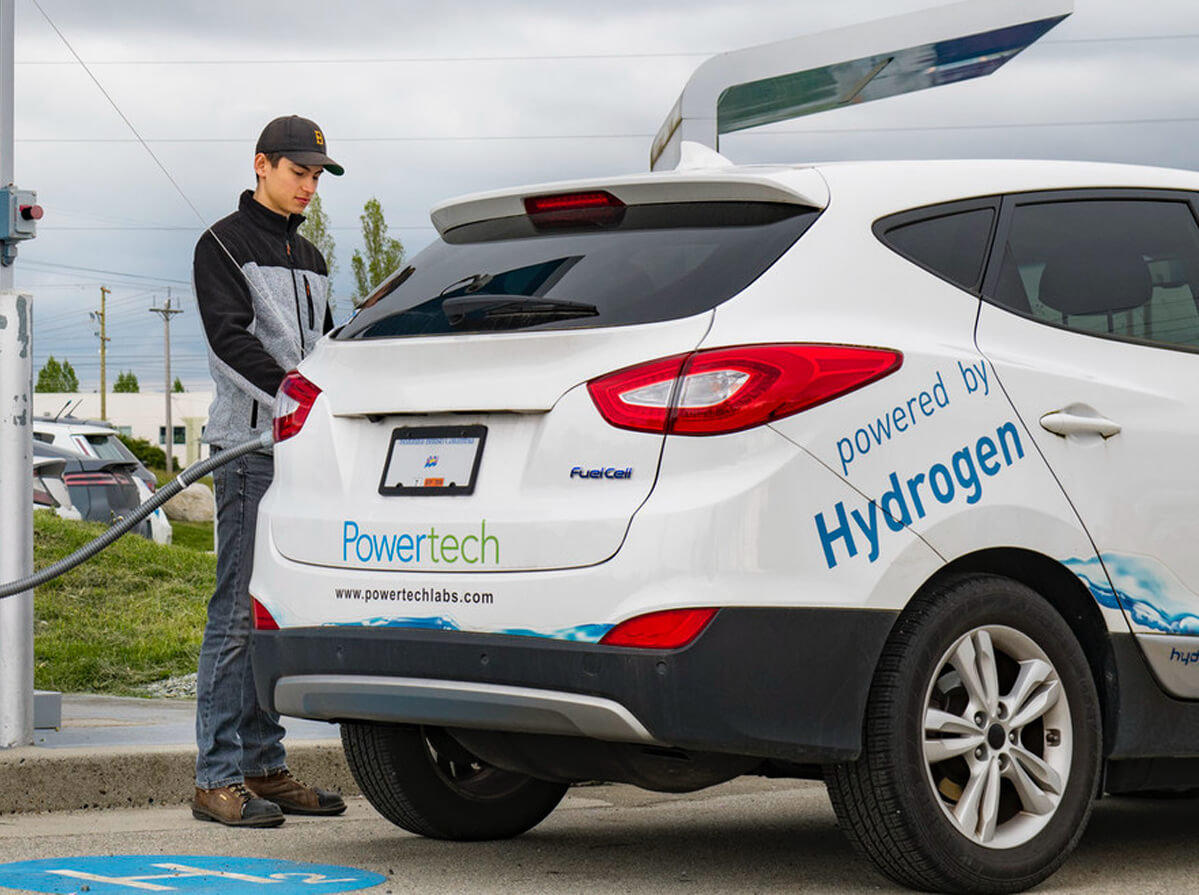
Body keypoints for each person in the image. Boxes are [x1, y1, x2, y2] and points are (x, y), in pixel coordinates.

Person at [191, 114, 346, 827]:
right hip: (249, 455)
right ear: (261, 164)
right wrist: (295, 397)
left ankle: (263, 764)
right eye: (297, 172)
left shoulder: (312, 256)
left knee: (270, 613)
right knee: (233, 615)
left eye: (317, 175)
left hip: (301, 454)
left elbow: (324, 346)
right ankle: (214, 777)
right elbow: (229, 344)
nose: (308, 185)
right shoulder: (220, 243)